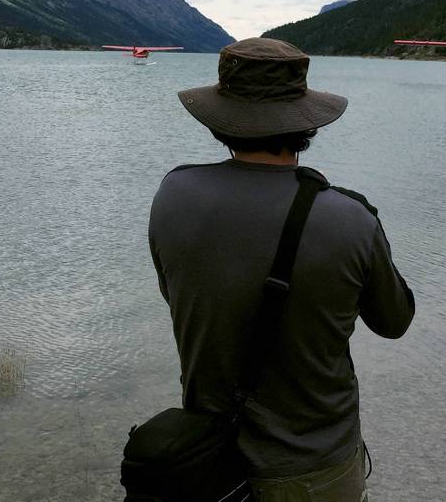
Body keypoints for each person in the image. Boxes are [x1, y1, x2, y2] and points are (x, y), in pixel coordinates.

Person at [148, 37, 415, 502]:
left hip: (206, 463)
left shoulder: (173, 194)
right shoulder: (349, 218)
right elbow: (395, 322)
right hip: (315, 468)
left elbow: (178, 297)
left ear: (219, 121)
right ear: (306, 122)